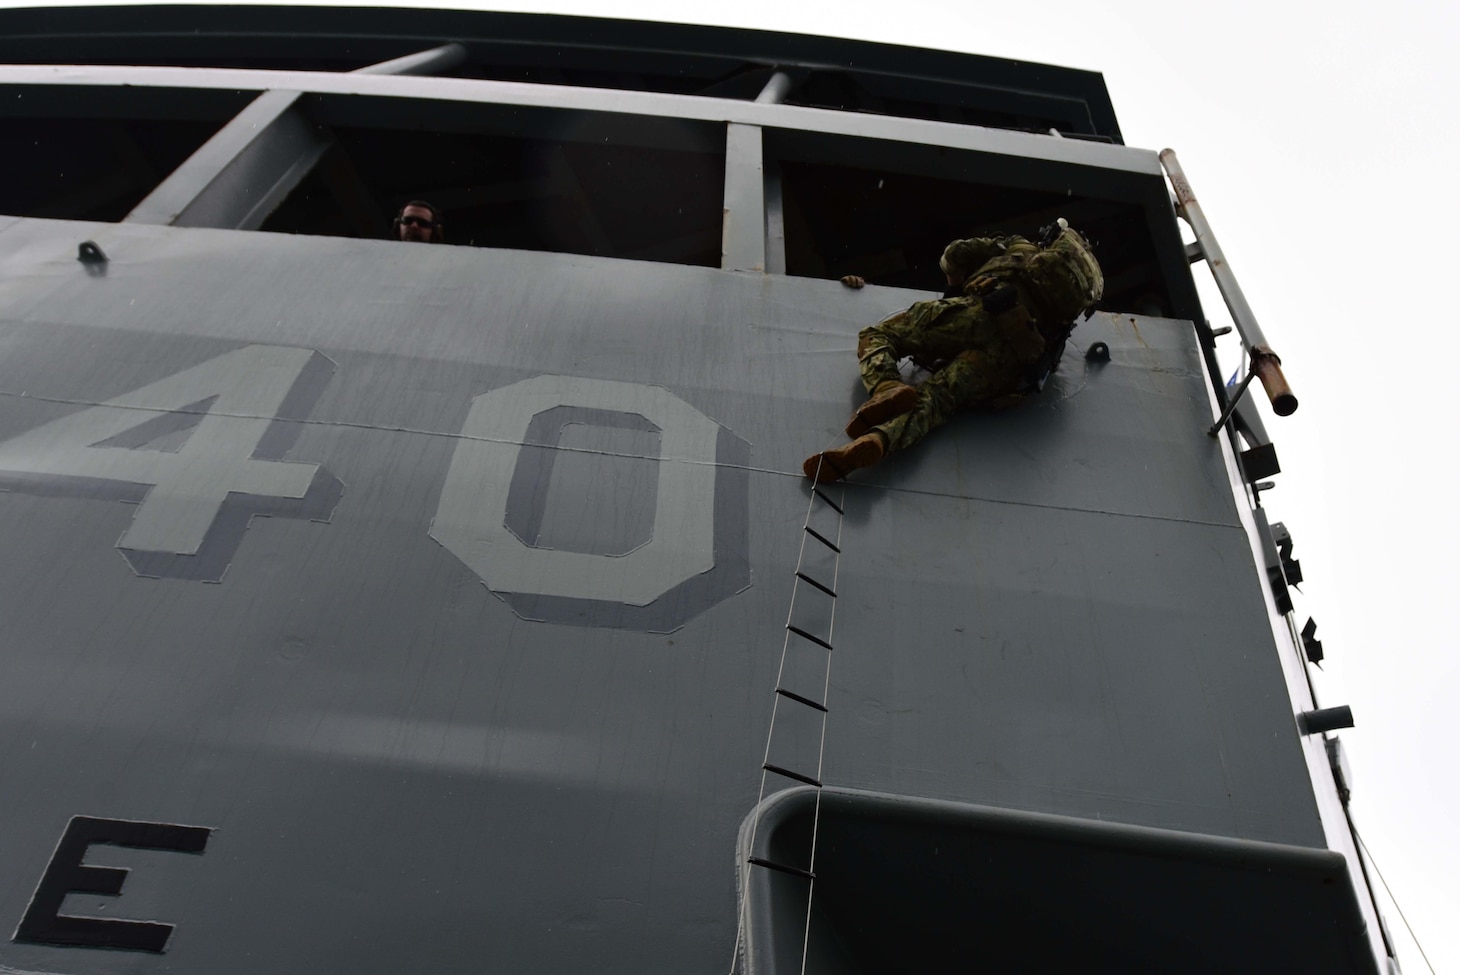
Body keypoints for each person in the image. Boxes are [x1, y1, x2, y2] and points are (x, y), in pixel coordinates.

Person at [803, 221, 1103, 483]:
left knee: (880, 334)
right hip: (1010, 363)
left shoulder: (1017, 246)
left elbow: (955, 254)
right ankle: (878, 440)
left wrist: (955, 279)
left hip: (981, 316)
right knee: (935, 401)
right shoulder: (1065, 311)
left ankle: (886, 387)